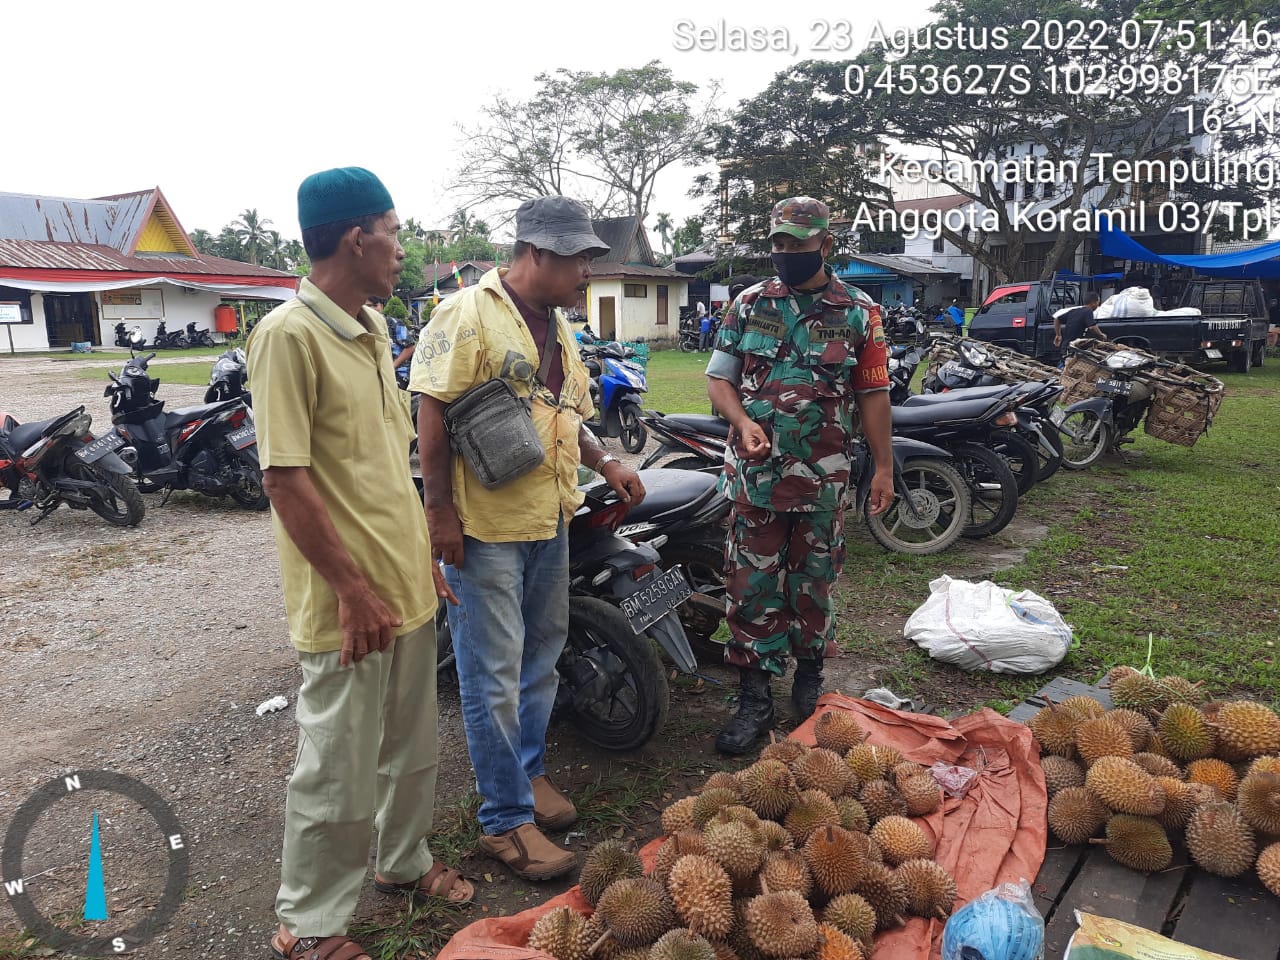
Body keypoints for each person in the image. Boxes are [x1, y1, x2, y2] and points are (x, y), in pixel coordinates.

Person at [248, 167, 471, 960]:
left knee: (413, 751)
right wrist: (350, 588)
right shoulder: (287, 336)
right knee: (336, 768)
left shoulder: (371, 329)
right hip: (347, 602)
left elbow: (383, 461)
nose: (401, 250)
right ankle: (308, 925)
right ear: (357, 237)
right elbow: (285, 477)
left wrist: (422, 557)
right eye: (396, 232)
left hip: (405, 586)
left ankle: (404, 864)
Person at [412, 195, 646, 880]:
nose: (584, 273)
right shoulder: (465, 314)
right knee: (490, 678)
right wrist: (438, 515)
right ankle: (504, 821)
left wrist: (607, 462)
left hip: (549, 518)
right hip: (483, 531)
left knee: (540, 661)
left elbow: (567, 412)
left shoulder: (560, 327)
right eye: (577, 259)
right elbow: (432, 414)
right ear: (536, 253)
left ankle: (530, 774)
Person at [705, 196, 895, 755]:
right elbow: (720, 380)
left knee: (813, 584)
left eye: (798, 244)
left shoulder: (859, 312)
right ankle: (754, 697)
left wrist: (883, 466)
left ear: (825, 245)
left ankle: (809, 678)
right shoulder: (747, 304)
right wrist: (740, 421)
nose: (785, 253)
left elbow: (873, 393)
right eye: (778, 243)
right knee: (751, 586)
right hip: (756, 479)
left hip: (822, 479)